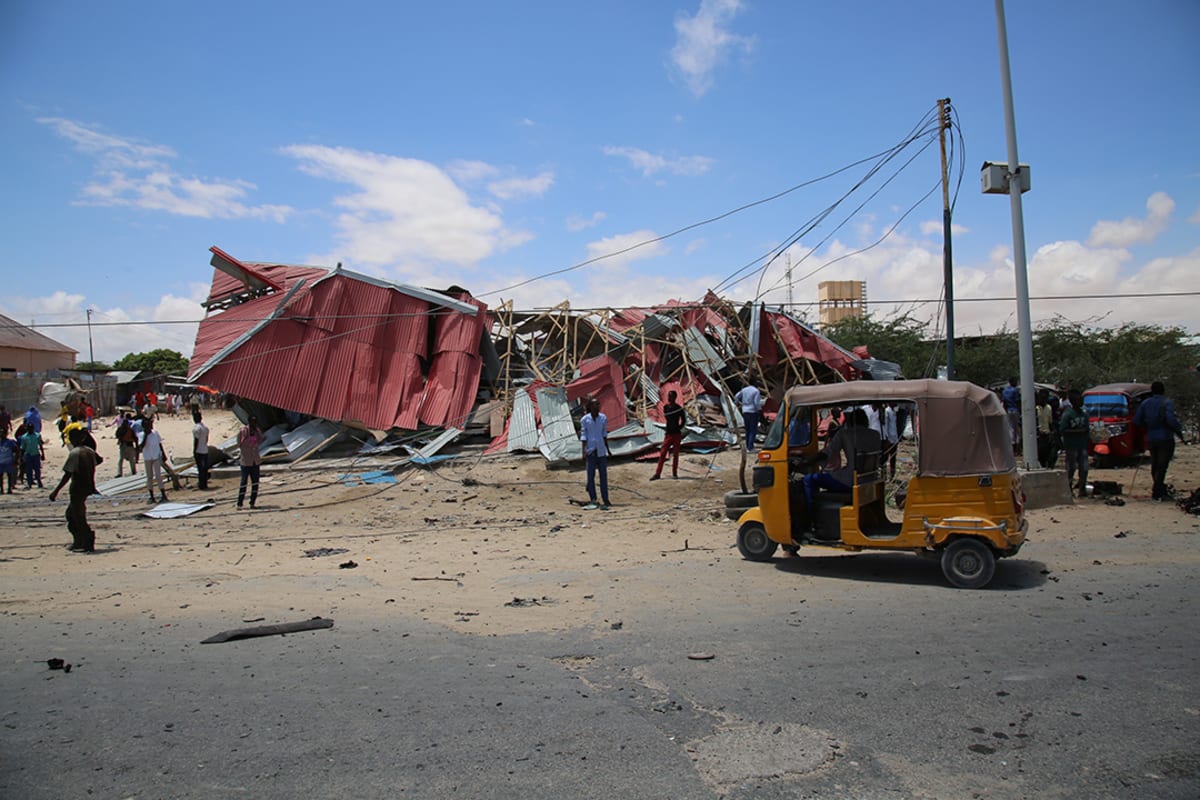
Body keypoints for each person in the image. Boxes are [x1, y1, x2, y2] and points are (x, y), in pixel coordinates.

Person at [801, 408, 882, 524]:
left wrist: (807, 461)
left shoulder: (845, 434)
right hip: (870, 480)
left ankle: (810, 518)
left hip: (850, 481)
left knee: (809, 479)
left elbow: (827, 453)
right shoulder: (875, 434)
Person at [49, 427, 102, 553]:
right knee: (73, 514)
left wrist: (55, 491)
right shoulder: (89, 451)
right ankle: (80, 541)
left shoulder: (75, 453)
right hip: (88, 486)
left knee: (77, 516)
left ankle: (86, 541)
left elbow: (67, 474)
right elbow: (99, 460)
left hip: (78, 487)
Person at [1133, 380, 1187, 501]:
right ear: (1163, 391)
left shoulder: (1145, 403)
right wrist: (1178, 430)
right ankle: (1158, 490)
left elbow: (1137, 420)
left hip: (1151, 438)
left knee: (1155, 464)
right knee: (1162, 465)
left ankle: (1158, 488)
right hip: (1165, 437)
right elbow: (1171, 420)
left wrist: (1147, 426)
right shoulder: (1167, 402)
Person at [579, 398, 611, 509]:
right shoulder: (585, 420)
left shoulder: (603, 418)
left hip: (601, 450)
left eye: (598, 404)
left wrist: (608, 449)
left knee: (603, 476)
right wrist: (583, 452)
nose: (598, 406)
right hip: (591, 450)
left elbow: (604, 434)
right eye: (595, 404)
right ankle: (593, 498)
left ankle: (605, 498)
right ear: (591, 406)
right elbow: (584, 436)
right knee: (590, 476)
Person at [1059, 389, 1090, 497]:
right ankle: (1068, 489)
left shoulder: (1084, 415)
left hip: (1082, 445)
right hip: (1071, 445)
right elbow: (1063, 430)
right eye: (1079, 401)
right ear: (1073, 402)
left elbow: (1087, 429)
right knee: (1071, 468)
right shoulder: (1068, 415)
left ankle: (1082, 489)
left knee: (1084, 468)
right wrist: (1077, 432)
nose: (1081, 403)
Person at [651, 391, 685, 481]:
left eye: (671, 396)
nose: (669, 398)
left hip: (676, 434)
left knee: (676, 454)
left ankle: (674, 473)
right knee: (662, 453)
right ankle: (657, 473)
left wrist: (679, 427)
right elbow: (667, 418)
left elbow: (684, 420)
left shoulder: (679, 408)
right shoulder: (666, 408)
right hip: (668, 433)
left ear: (675, 397)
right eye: (668, 396)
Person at [139, 416, 169, 503]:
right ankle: (151, 496)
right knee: (149, 477)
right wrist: (145, 435)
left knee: (158, 476)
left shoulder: (155, 433)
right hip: (147, 457)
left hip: (156, 456)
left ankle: (163, 494)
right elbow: (141, 447)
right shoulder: (141, 435)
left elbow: (159, 444)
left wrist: (163, 454)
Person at [237, 414, 264, 509]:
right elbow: (240, 443)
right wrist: (247, 437)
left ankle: (252, 502)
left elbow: (261, 439)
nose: (253, 424)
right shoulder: (243, 431)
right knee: (244, 482)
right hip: (246, 461)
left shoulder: (257, 431)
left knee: (255, 483)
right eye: (252, 422)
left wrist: (257, 432)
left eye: (255, 422)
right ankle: (239, 503)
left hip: (255, 461)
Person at [733, 377, 763, 452]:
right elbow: (756, 403)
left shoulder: (744, 389)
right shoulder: (756, 391)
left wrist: (738, 403)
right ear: (755, 383)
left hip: (745, 410)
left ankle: (747, 446)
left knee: (747, 429)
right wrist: (760, 410)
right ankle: (750, 447)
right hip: (753, 411)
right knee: (753, 430)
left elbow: (736, 396)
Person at [19, 423, 44, 489]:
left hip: (36, 454)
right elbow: (22, 448)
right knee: (28, 470)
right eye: (29, 428)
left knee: (37, 469)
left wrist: (43, 454)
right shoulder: (24, 437)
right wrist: (21, 457)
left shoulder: (37, 435)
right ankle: (29, 483)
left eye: (31, 428)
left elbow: (40, 445)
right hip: (28, 455)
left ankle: (39, 481)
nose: (30, 429)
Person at [116, 412, 139, 477]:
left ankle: (133, 471)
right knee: (122, 460)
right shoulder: (122, 429)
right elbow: (118, 435)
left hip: (128, 446)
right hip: (124, 445)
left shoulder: (130, 430)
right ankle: (120, 473)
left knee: (130, 460)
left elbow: (135, 438)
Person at [193, 409, 210, 490]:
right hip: (205, 449)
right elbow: (206, 439)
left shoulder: (196, 428)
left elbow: (196, 440)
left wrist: (194, 450)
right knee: (205, 468)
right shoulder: (205, 428)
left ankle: (201, 484)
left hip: (199, 450)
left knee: (200, 468)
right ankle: (205, 483)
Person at [1035, 390, 1054, 468]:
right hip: (1038, 436)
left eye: (1045, 398)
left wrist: (1052, 432)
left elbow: (1050, 422)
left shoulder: (1049, 408)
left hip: (1047, 434)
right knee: (1039, 455)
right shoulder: (1035, 409)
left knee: (1047, 455)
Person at [881, 402, 899, 479]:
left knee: (893, 457)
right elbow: (885, 426)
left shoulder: (894, 411)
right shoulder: (886, 411)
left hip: (894, 437)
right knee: (885, 458)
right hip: (889, 438)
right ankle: (884, 475)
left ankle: (892, 475)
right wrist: (887, 438)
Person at [1001, 377, 1021, 447]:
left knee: (1010, 427)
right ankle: (1017, 444)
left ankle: (1012, 443)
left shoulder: (1004, 391)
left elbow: (1004, 402)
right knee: (1017, 427)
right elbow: (1017, 401)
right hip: (1015, 410)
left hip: (1008, 410)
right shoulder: (1015, 390)